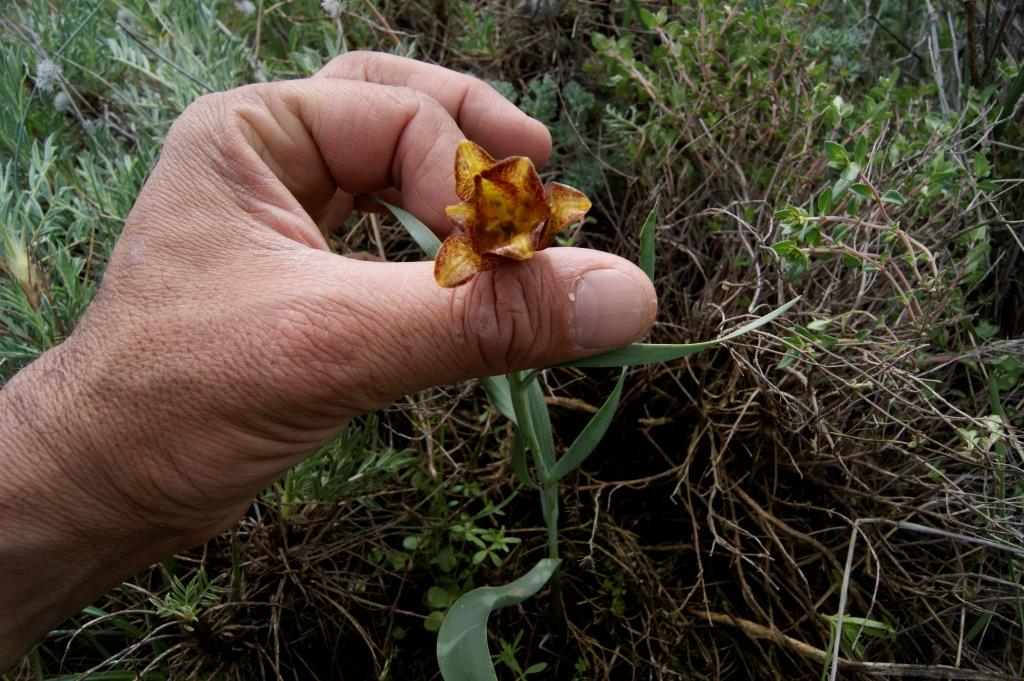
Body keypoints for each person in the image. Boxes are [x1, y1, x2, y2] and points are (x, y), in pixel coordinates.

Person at [0, 52, 656, 668]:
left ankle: (547, 527)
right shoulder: (465, 248)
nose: (510, 222)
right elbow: (467, 273)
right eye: (495, 214)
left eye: (516, 216)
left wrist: (65, 463)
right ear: (468, 209)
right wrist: (76, 462)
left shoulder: (543, 212)